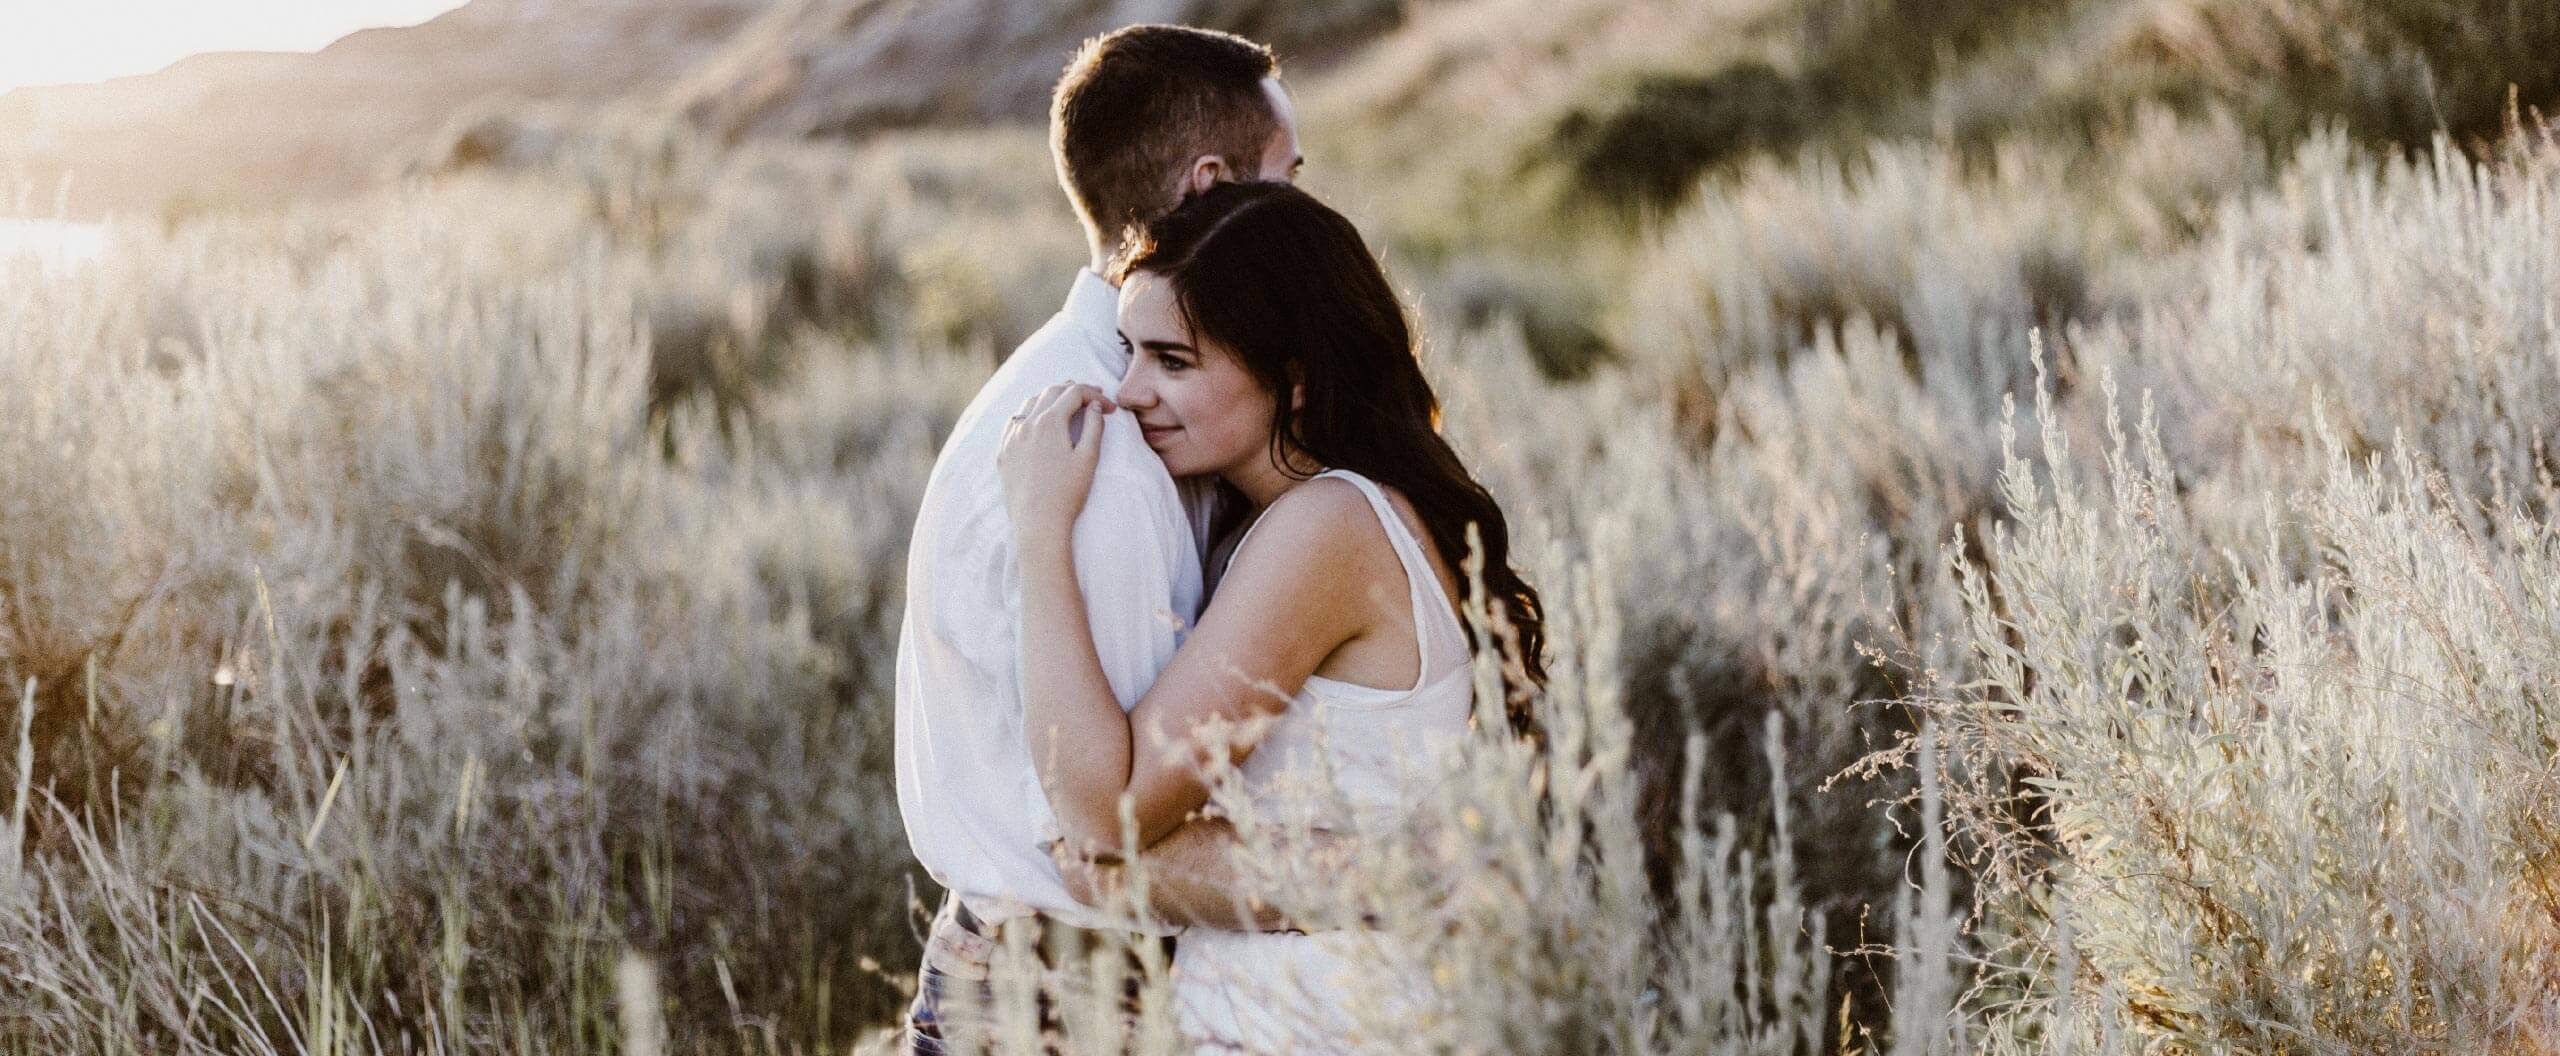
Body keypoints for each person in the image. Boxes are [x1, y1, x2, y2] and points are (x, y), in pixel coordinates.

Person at [996, 180, 1550, 1053]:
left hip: (1330, 1021)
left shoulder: (1327, 527)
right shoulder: (1326, 515)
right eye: (1130, 352)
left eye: (1174, 362)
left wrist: (1039, 532)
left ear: (1292, 381)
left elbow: (1108, 818)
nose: (1130, 391)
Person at [891, 23, 1305, 1055]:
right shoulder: (1104, 453)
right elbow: (1123, 820)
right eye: (1289, 181)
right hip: (1069, 995)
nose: (1308, 215)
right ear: (1211, 187)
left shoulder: (1114, 398)